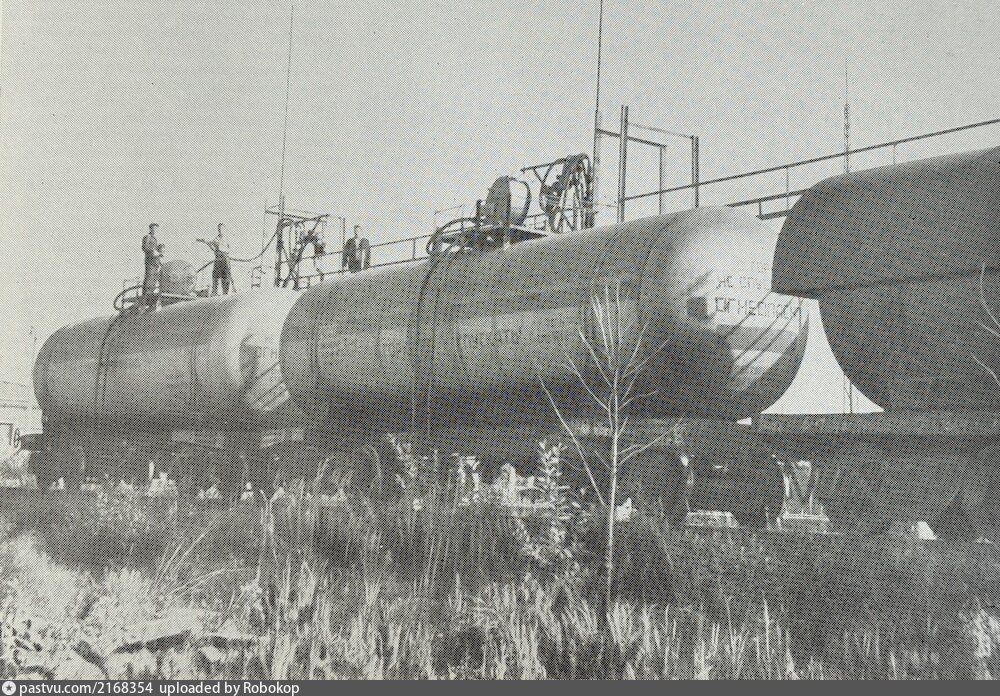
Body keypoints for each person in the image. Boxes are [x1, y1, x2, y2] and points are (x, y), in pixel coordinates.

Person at [197, 223, 233, 295]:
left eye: (222, 229)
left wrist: (220, 248)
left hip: (225, 259)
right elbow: (213, 248)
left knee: (226, 277)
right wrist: (207, 243)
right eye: (219, 229)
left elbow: (228, 249)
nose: (220, 231)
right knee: (215, 276)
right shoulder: (216, 239)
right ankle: (214, 292)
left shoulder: (227, 239)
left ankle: (225, 293)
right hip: (218, 259)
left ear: (225, 230)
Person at [142, 223, 160, 297]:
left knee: (154, 278)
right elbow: (145, 247)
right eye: (154, 229)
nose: (155, 230)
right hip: (150, 262)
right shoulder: (148, 237)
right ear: (150, 229)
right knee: (150, 277)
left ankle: (150, 293)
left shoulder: (154, 238)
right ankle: (147, 294)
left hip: (155, 262)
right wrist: (153, 251)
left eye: (156, 229)